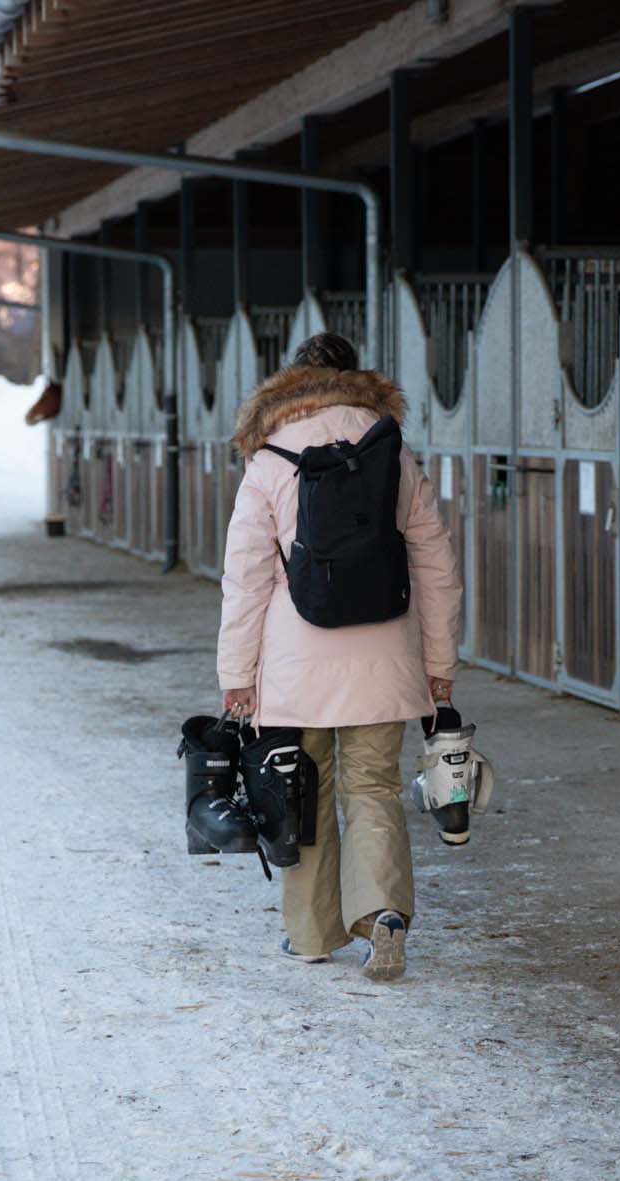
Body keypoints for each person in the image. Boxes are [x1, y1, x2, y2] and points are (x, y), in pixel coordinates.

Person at [216, 332, 462, 982]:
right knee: (373, 788)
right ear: (356, 378)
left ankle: (311, 935)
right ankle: (382, 914)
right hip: (384, 654)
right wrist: (440, 662)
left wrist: (236, 675)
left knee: (305, 791)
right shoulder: (390, 450)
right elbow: (435, 563)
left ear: (291, 382)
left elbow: (245, 579)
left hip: (296, 663)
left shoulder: (268, 457)